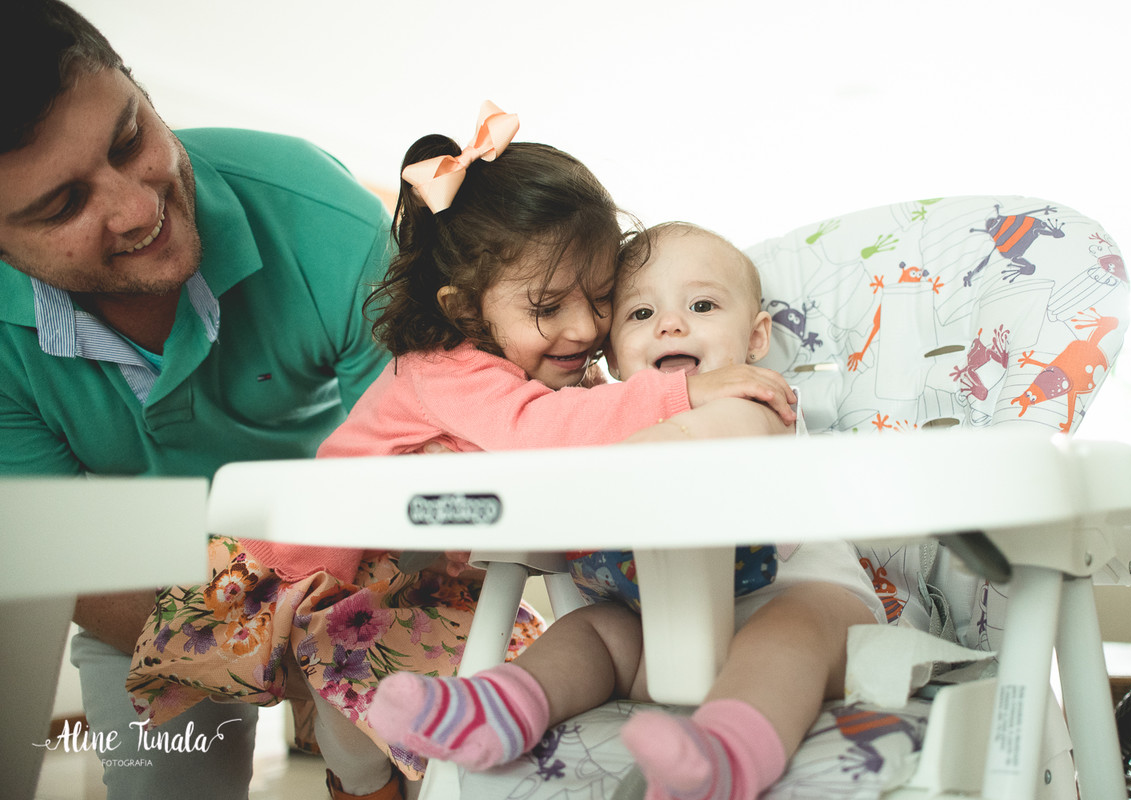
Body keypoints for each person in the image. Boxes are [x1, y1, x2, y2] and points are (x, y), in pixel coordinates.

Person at [122, 107, 799, 794]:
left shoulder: (541, 375)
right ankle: (353, 781)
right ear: (468, 309)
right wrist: (683, 392)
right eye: (547, 307)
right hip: (319, 577)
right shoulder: (446, 368)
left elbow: (581, 431)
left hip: (420, 582)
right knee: (354, 740)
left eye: (600, 299)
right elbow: (542, 434)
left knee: (475, 688)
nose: (585, 327)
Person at [0, 2, 429, 798]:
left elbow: (411, 477)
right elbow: (54, 557)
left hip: (338, 561)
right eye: (62, 205)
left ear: (136, 85)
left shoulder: (327, 219)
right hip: (137, 582)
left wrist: (338, 647)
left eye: (130, 138)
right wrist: (269, 658)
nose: (137, 209)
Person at [365, 223, 887, 800]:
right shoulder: (595, 421)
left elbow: (698, 438)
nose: (670, 324)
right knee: (589, 632)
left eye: (703, 304)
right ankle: (496, 709)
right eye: (640, 314)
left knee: (789, 630)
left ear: (757, 336)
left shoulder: (757, 401)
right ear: (609, 352)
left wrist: (587, 472)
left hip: (820, 620)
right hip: (663, 640)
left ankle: (729, 755)